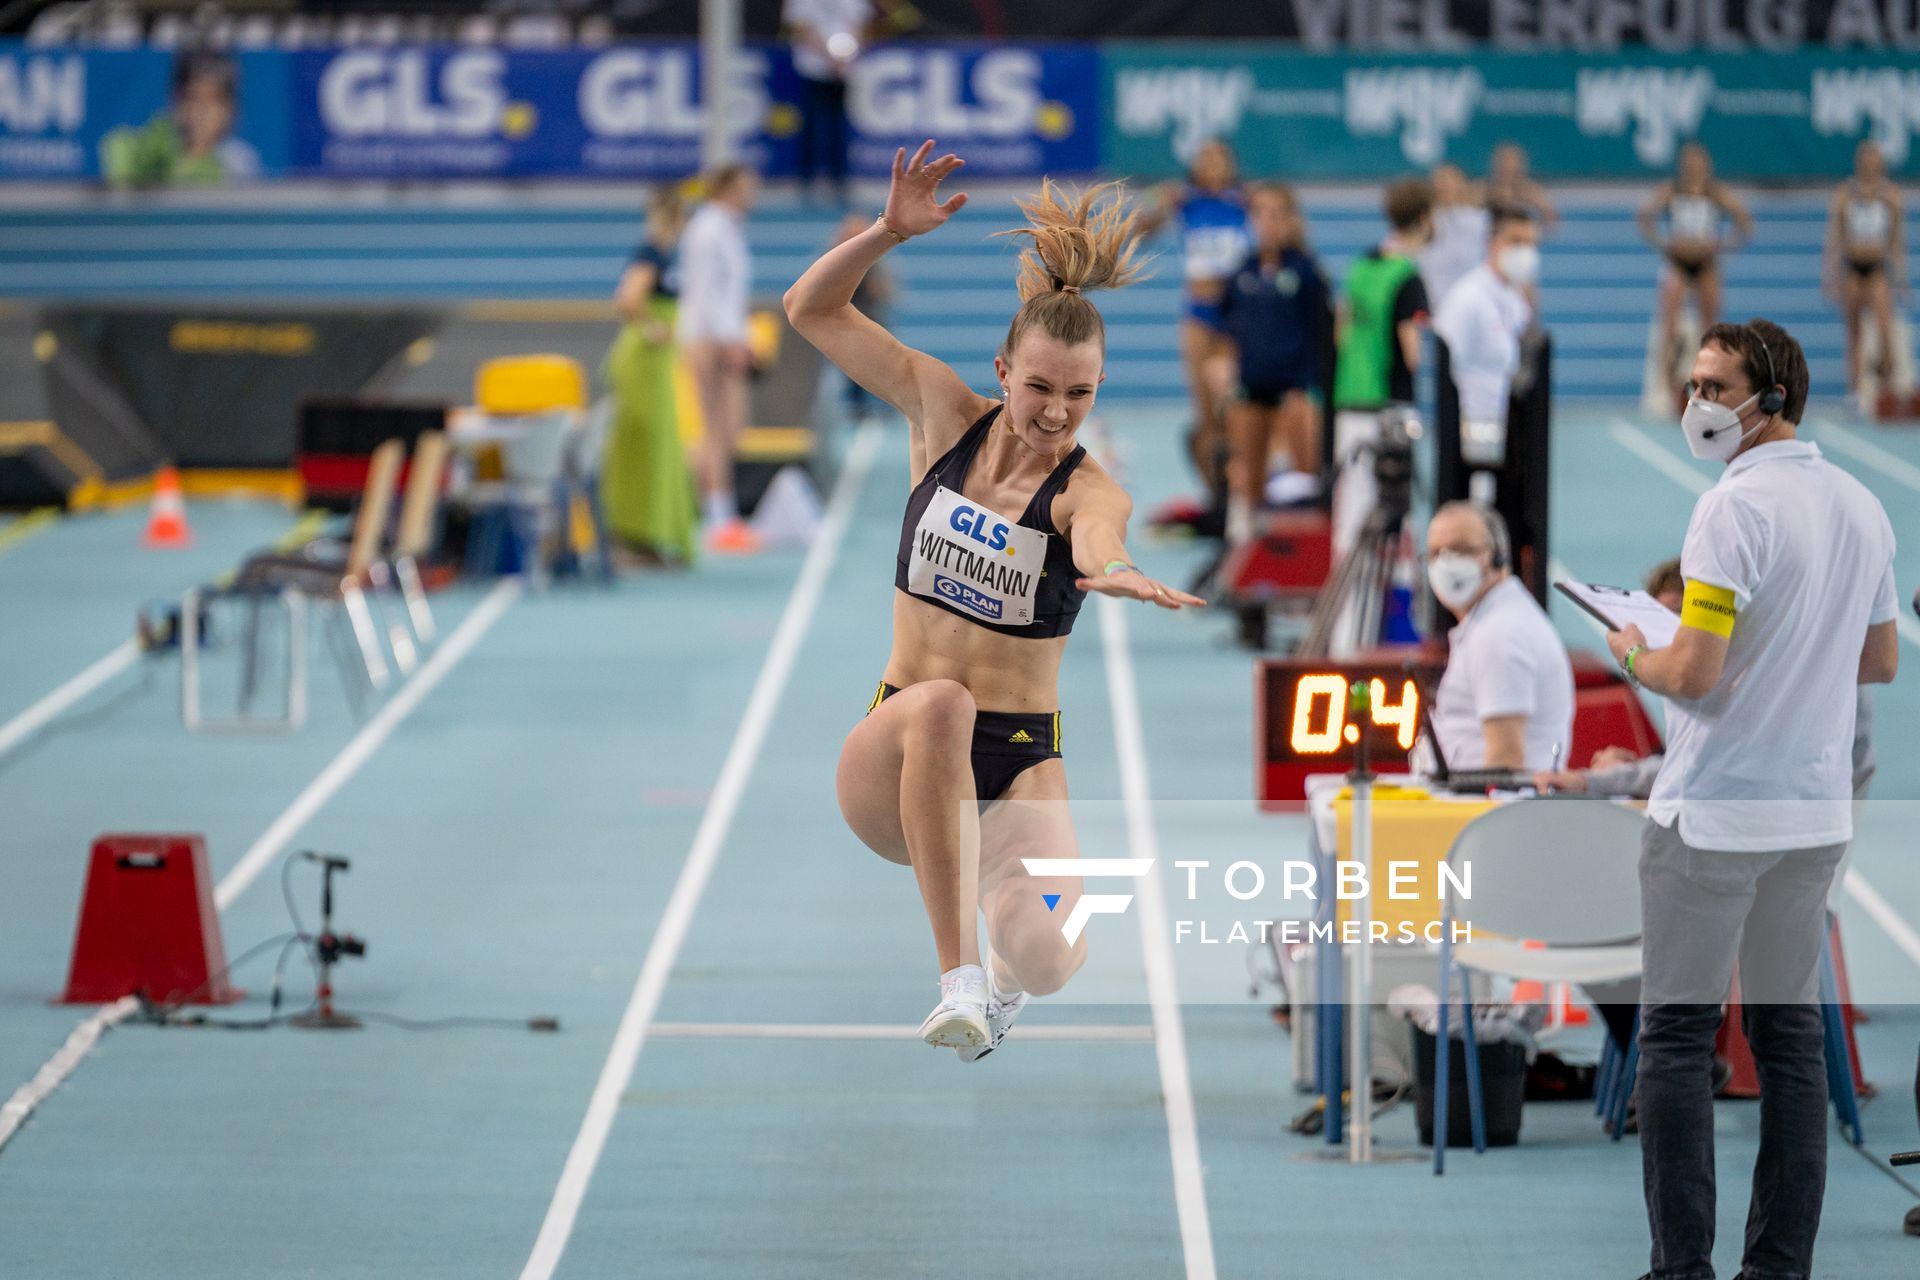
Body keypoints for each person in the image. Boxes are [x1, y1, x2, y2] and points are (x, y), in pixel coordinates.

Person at [783, 142, 1204, 1057]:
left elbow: (1097, 534)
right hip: (899, 752)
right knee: (942, 702)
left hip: (1016, 762)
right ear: (1005, 369)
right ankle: (958, 980)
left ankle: (1008, 978)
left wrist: (1116, 565)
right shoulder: (941, 413)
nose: (1057, 412)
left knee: (1055, 955)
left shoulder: (1090, 489)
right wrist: (886, 233)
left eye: (1080, 394)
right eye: (1042, 387)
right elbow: (808, 309)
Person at [1602, 319, 1898, 1280]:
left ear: (1773, 400)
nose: (1695, 405)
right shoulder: (1861, 505)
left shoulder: (1731, 510)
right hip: (1812, 817)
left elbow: (1692, 671)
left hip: (1717, 813)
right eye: (1692, 383)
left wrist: (1634, 653)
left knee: (1679, 1044)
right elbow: (1881, 659)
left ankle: (1679, 1268)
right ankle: (1779, 1267)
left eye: (1714, 386)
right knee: (1792, 1044)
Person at [1214, 182, 1329, 547]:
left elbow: (1326, 332)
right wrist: (1225, 369)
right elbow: (1228, 329)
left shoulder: (1307, 272)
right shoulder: (1241, 272)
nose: (1268, 222)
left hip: (1296, 384)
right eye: (1260, 214)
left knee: (1304, 476)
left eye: (1277, 214)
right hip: (1252, 385)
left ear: (1291, 220)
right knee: (1248, 476)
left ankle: (1306, 552)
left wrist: (1316, 388)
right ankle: (1247, 546)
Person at [1135, 139, 1250, 497]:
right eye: (1204, 156)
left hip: (1237, 315)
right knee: (1206, 415)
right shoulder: (1186, 202)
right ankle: (1215, 495)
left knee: (1233, 407)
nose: (1211, 163)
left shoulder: (1244, 202)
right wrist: (1158, 200)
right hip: (1199, 316)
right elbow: (1139, 229)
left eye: (1218, 156)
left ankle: (1240, 489)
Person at [1424, 500, 1573, 771]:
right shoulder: (1493, 622)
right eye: (1436, 553)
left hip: (1487, 810)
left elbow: (1505, 762)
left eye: (1461, 550)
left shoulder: (1500, 634)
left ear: (1499, 555)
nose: (1446, 563)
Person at [1331, 177, 1432, 554]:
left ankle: (1345, 611)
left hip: (1350, 397)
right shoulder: (1407, 277)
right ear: (1425, 218)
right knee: (1396, 513)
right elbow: (1412, 353)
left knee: (1350, 511)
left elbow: (1340, 334)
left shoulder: (1359, 266)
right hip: (1390, 405)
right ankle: (1396, 604)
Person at [602, 187, 698, 566]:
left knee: (661, 451)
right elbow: (627, 297)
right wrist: (651, 328)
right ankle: (632, 538)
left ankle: (650, 538)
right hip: (643, 361)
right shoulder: (650, 253)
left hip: (657, 363)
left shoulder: (665, 255)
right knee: (644, 449)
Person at [678, 164, 762, 554]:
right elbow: (708, 292)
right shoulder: (710, 229)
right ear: (726, 187)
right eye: (746, 186)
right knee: (715, 428)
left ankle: (709, 510)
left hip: (718, 333)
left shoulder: (726, 227)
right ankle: (717, 516)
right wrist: (731, 339)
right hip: (707, 337)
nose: (752, 193)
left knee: (728, 429)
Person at [1639, 143, 1753, 391]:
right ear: (1682, 166)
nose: (1694, 168)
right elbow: (1644, 217)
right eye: (1689, 163)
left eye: (1698, 162)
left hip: (1706, 263)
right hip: (1678, 262)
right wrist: (1664, 243)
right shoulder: (1673, 190)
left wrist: (1723, 246)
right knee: (1669, 325)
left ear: (1707, 165)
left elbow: (1744, 221)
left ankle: (1710, 381)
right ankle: (1668, 387)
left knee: (1711, 329)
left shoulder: (1715, 193)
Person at [1433, 205, 1539, 470]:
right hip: (1472, 433)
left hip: (1506, 427)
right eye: (1516, 241)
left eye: (1530, 243)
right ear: (1493, 243)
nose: (1524, 251)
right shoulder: (1467, 298)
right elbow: (1446, 368)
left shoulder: (1514, 299)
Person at [1824, 140, 1908, 411]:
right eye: (1866, 161)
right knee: (1854, 331)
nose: (1870, 166)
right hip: (1852, 266)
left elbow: (1896, 241)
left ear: (1880, 165)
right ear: (1859, 163)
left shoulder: (1890, 195)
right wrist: (1830, 274)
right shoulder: (1845, 194)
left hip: (1877, 268)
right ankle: (1855, 390)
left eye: (1875, 162)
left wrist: (1901, 277)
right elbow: (1835, 237)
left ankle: (1887, 384)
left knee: (1885, 328)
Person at [101, 49, 261, 189]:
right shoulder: (139, 148)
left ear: (230, 109)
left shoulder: (239, 163)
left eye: (215, 101)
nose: (202, 112)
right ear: (175, 101)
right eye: (193, 98)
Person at [783, 0, 873, 208]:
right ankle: (806, 181)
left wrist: (845, 56)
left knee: (840, 126)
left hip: (844, 69)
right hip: (813, 67)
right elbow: (800, 27)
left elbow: (858, 24)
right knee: (813, 125)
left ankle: (839, 181)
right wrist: (828, 55)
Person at [1421, 163, 1490, 311]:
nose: (1445, 188)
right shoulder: (1425, 223)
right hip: (1434, 305)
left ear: (1461, 186)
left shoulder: (1479, 221)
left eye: (1449, 184)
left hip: (1470, 305)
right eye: (1440, 185)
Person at [1485, 143, 1557, 230]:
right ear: (1497, 166)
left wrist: (1540, 206)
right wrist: (1493, 201)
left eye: (1512, 165)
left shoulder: (1530, 190)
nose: (1509, 168)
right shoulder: (1484, 189)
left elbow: (1551, 223)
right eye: (1505, 165)